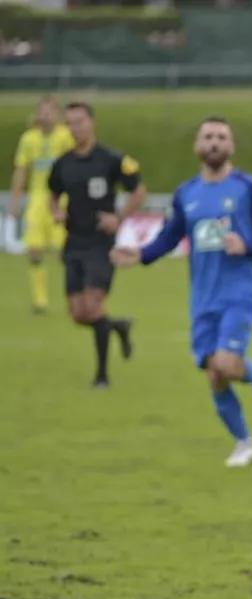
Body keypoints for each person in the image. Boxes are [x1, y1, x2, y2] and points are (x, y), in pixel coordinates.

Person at [111, 117, 252, 468]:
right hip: (202, 298)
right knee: (215, 374)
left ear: (231, 147)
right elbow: (169, 236)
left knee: (226, 363)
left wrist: (249, 244)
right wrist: (142, 254)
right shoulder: (186, 194)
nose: (214, 143)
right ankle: (244, 444)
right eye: (208, 137)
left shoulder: (247, 188)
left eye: (221, 137)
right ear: (197, 146)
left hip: (239, 292)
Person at [47, 102, 146, 388]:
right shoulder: (63, 163)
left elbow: (138, 189)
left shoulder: (111, 159)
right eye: (70, 123)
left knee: (93, 304)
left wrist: (119, 217)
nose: (75, 127)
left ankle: (102, 376)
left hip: (101, 244)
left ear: (92, 123)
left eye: (79, 121)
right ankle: (118, 327)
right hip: (73, 242)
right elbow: (53, 193)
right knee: (78, 314)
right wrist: (55, 211)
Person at [7, 95, 74, 314]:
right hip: (37, 200)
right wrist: (15, 202)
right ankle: (40, 301)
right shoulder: (29, 139)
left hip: (60, 199)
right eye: (41, 112)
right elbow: (21, 170)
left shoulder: (65, 136)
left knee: (64, 252)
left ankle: (72, 296)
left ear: (58, 115)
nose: (45, 116)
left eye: (49, 112)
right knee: (34, 250)